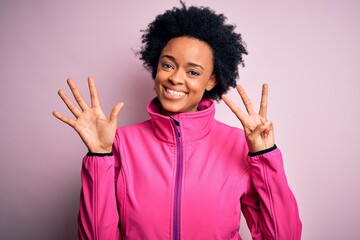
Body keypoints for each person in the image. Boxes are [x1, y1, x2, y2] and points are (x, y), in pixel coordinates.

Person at [53, 2, 302, 239]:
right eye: (168, 65)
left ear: (212, 80)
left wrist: (265, 154)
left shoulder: (238, 144)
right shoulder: (120, 143)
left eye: (193, 72)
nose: (175, 79)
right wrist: (98, 157)